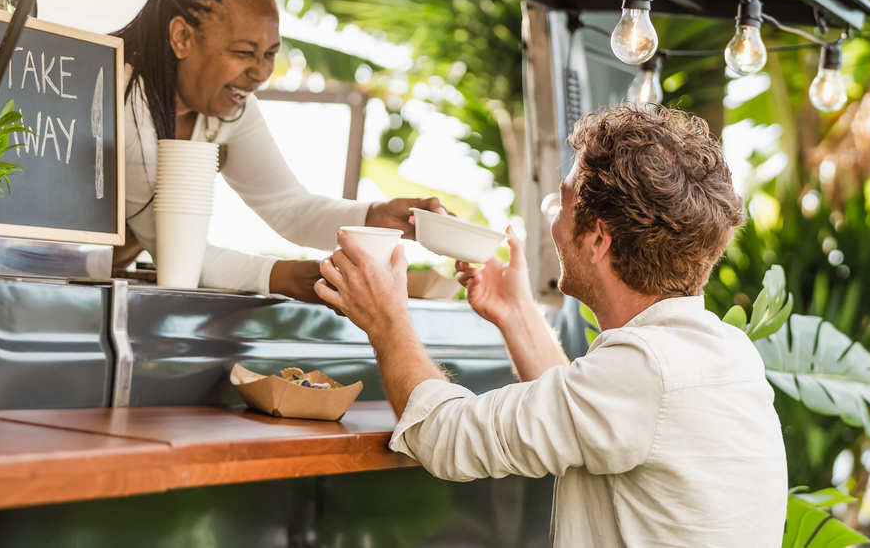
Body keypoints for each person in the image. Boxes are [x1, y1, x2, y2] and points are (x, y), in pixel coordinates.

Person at [316, 104, 787, 546]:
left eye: (562, 205)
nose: (555, 224)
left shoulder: (647, 370)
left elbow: (442, 437)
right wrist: (516, 312)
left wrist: (387, 318)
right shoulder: (723, 351)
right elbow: (590, 416)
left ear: (599, 238)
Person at [111, 0, 443, 301]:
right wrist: (294, 277)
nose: (260, 73)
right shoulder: (119, 98)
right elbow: (180, 256)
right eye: (243, 52)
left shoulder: (230, 105)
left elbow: (290, 208)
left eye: (270, 54)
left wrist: (376, 217)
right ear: (182, 37)